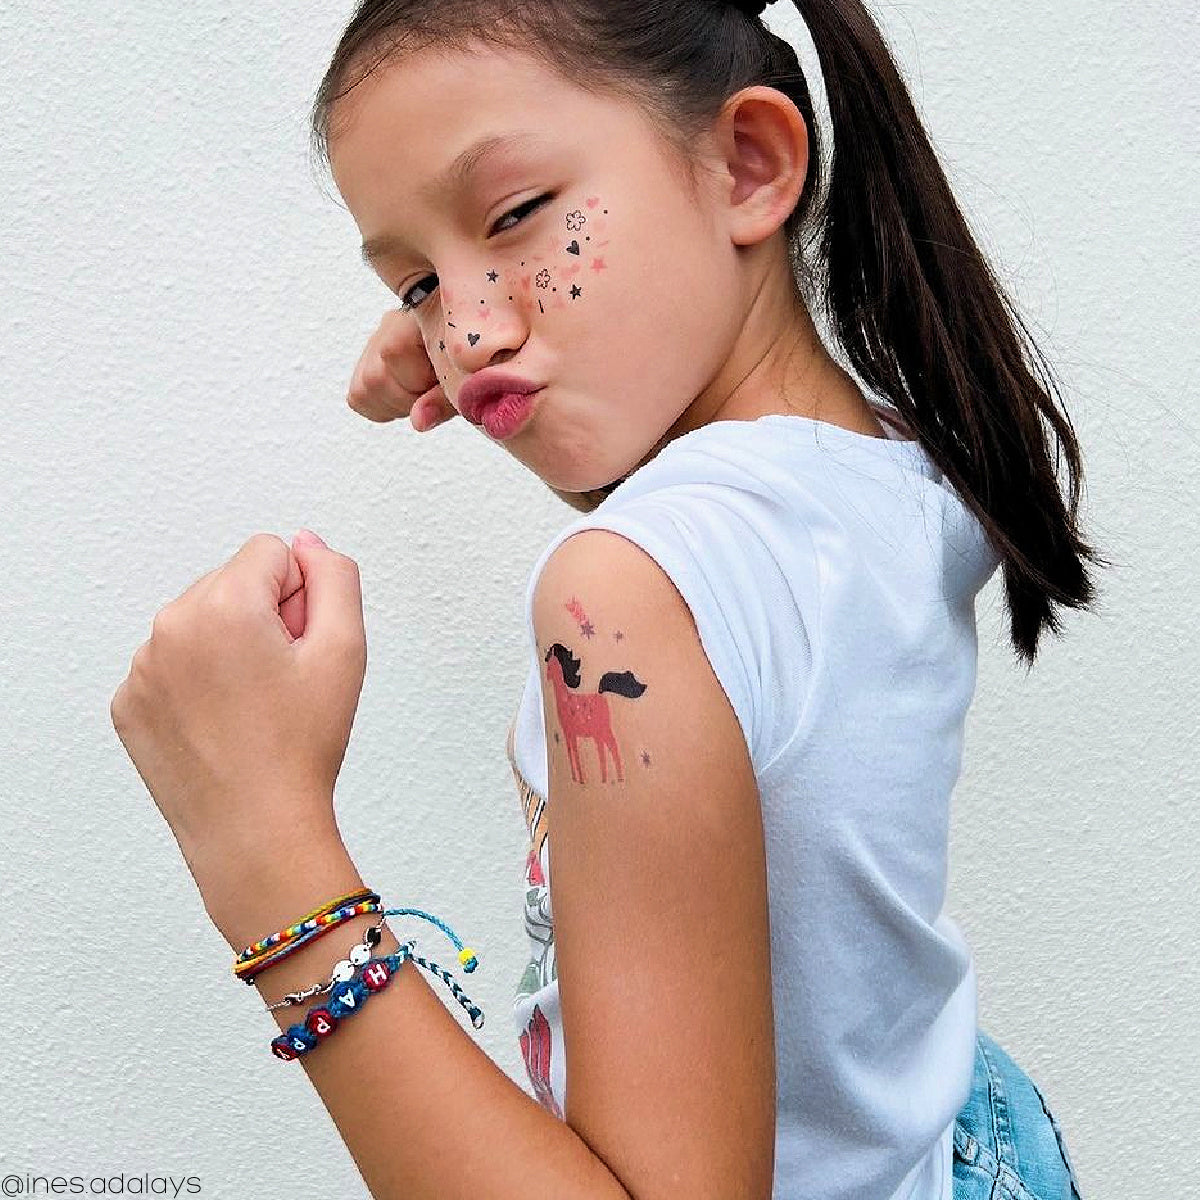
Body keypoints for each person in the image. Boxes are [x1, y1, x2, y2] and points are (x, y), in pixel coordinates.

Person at [111, 2, 1098, 1198]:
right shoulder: (884, 462)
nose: (466, 333)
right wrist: (497, 315)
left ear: (748, 165)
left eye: (517, 217)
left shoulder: (625, 597)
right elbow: (725, 575)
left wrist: (261, 847)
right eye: (421, 280)